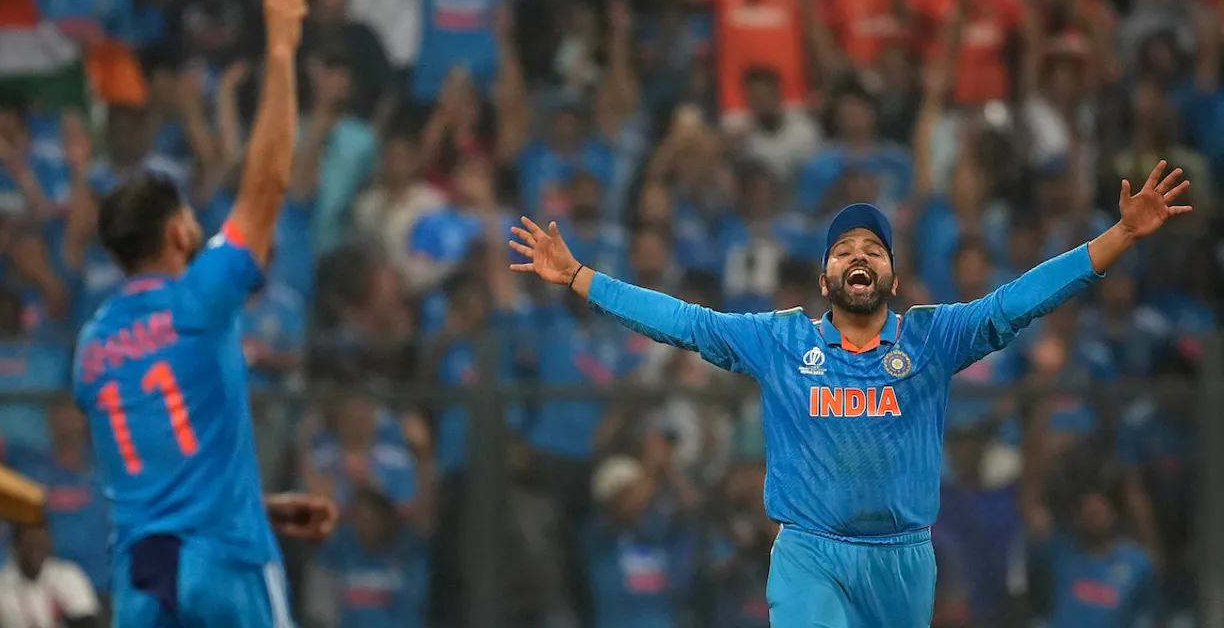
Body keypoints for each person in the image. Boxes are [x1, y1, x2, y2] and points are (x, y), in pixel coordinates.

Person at [510, 161, 1192, 627]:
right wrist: (579, 277)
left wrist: (1122, 234)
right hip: (809, 548)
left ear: (892, 279)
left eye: (873, 247)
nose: (858, 255)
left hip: (903, 557)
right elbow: (686, 322)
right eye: (843, 249)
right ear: (825, 276)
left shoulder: (932, 337)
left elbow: (1017, 302)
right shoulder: (779, 341)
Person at [71, 0, 337, 627]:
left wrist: (262, 501)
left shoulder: (91, 347)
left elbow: (160, 476)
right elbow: (268, 182)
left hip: (141, 578)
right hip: (223, 563)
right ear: (176, 230)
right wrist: (280, 51)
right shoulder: (199, 300)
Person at [0, 522, 100, 628]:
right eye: (29, 545)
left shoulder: (69, 576)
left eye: (40, 544)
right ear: (16, 546)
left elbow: (88, 623)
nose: (35, 552)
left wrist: (63, 616)